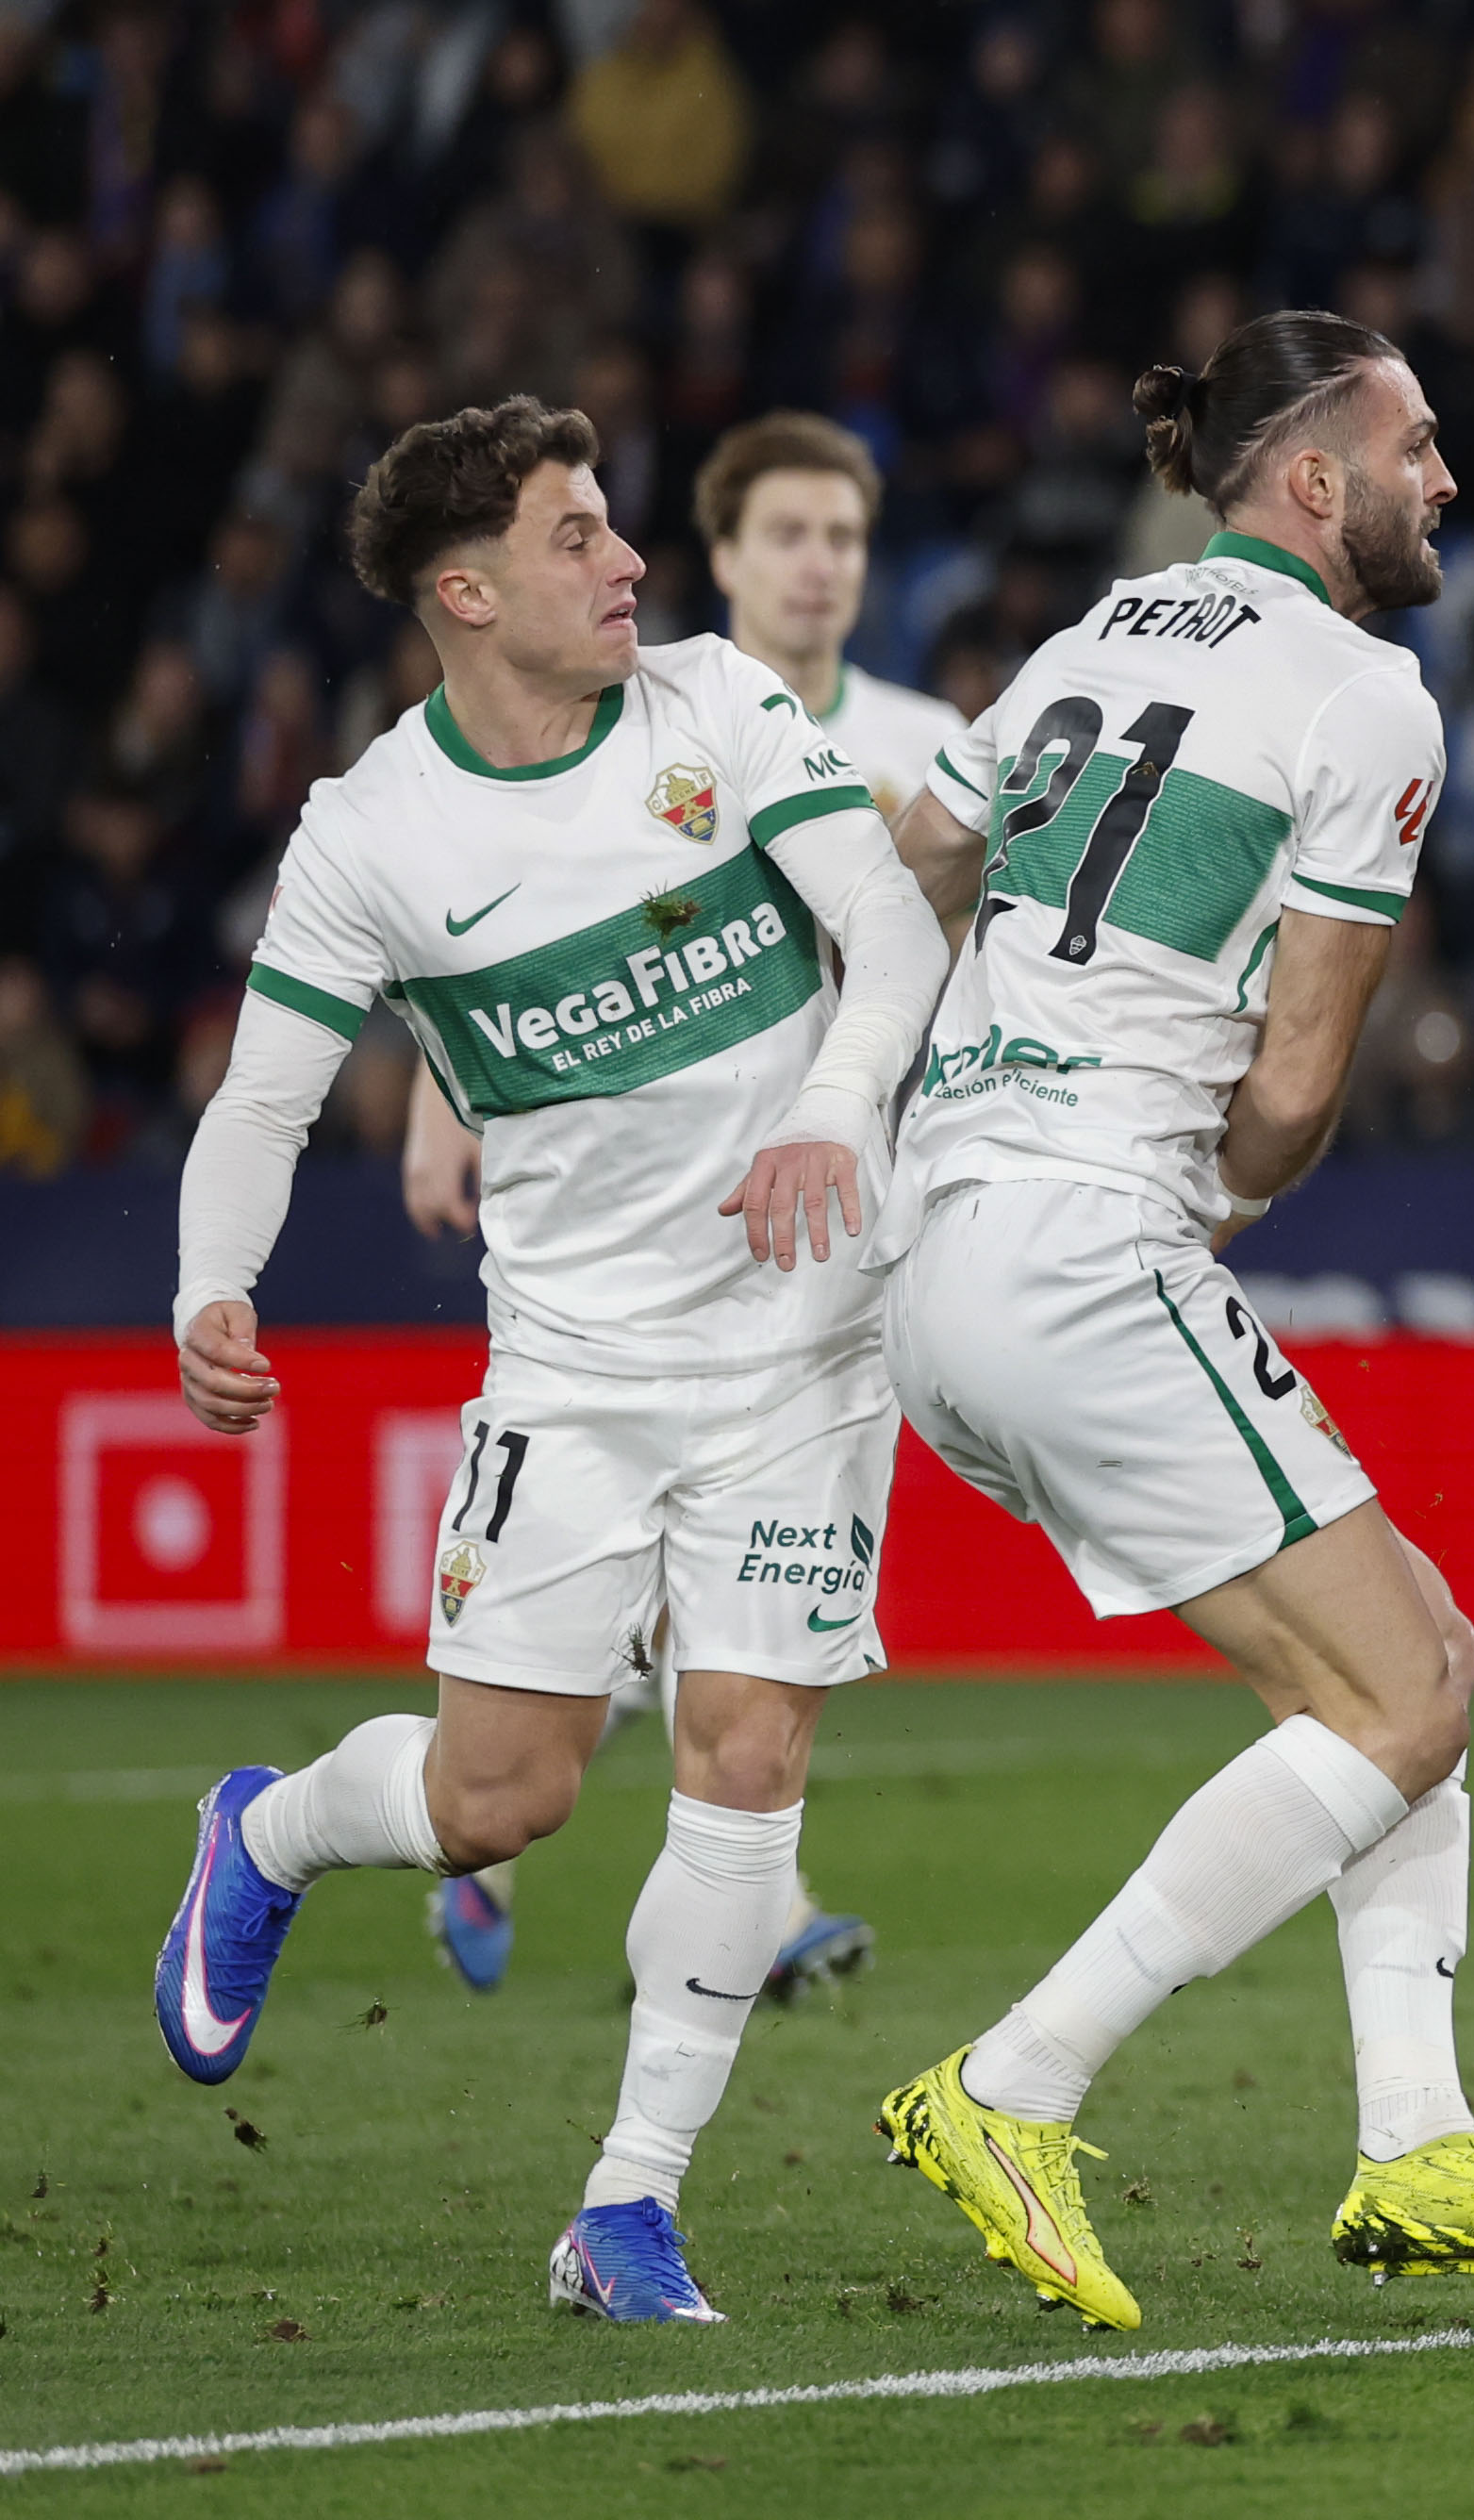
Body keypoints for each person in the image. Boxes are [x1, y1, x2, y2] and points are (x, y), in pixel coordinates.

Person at [869, 310, 1474, 2331]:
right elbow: (1300, 1089)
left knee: (1401, 1672)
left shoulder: (1084, 641)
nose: (1447, 484)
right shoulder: (1365, 692)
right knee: (1405, 1702)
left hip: (940, 1244)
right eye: (1416, 449)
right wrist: (1190, 1192)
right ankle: (1011, 2082)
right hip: (1086, 1244)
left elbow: (922, 854)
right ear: (1313, 480)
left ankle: (1418, 2141)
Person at [157, 396, 950, 2321]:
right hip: (577, 1371)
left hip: (803, 1342)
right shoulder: (373, 833)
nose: (626, 563)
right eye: (579, 536)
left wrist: (837, 1103)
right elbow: (263, 1104)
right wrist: (211, 1287)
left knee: (747, 1753)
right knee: (496, 1800)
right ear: (468, 588)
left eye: (616, 527)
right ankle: (264, 1829)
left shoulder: (719, 711)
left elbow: (890, 935)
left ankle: (628, 2204)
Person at [403, 411, 960, 2002]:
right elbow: (524, 936)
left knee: (767, 1603)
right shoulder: (651, 705)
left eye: (844, 537)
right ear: (723, 556)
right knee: (655, 1582)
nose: (818, 563)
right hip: (647, 1228)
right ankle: (497, 1835)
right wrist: (446, 1109)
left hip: (834, 1223)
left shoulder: (932, 740)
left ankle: (747, 1898)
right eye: (787, 532)